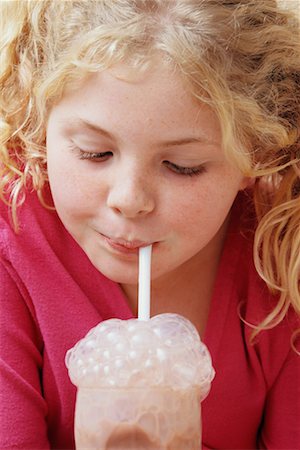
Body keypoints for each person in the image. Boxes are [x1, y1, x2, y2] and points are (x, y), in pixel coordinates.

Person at [0, 0, 299, 448]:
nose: (129, 200)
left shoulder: (282, 258)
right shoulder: (14, 242)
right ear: (40, 126)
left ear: (256, 158)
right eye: (94, 153)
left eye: (182, 166)